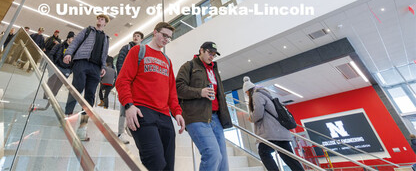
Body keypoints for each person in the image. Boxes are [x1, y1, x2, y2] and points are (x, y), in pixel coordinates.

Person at [116, 22, 185, 171]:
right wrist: (128, 105)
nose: (166, 40)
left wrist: (177, 112)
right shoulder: (138, 51)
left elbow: (172, 91)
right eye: (164, 35)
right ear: (155, 32)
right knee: (155, 162)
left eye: (169, 38)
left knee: (168, 167)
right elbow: (123, 80)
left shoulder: (167, 61)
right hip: (142, 112)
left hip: (164, 116)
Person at [176, 42, 232, 171]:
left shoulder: (214, 70)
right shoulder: (189, 66)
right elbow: (178, 88)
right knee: (212, 154)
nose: (212, 56)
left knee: (223, 162)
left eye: (214, 54)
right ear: (201, 50)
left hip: (216, 118)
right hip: (196, 117)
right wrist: (199, 92)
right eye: (209, 52)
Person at [62, 14, 110, 141]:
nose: (99, 20)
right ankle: (68, 115)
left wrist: (103, 67)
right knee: (77, 88)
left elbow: (104, 54)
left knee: (90, 96)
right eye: (98, 18)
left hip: (96, 68)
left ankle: (83, 126)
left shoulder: (106, 37)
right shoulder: (88, 30)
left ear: (105, 23)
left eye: (102, 19)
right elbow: (76, 41)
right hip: (82, 62)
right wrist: (68, 53)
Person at [243, 76, 303, 171]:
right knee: (290, 159)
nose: (246, 94)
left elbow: (258, 113)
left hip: (271, 132)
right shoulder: (266, 95)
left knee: (264, 153)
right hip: (280, 132)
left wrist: (252, 118)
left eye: (246, 92)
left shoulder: (256, 95)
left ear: (248, 91)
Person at [116, 31, 144, 144]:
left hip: (137, 84)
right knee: (124, 106)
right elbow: (120, 62)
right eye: (134, 36)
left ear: (142, 39)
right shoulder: (126, 48)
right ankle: (120, 132)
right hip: (126, 82)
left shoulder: (142, 50)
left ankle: (128, 126)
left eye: (138, 36)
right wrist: (122, 79)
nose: (135, 37)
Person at [45, 31, 75, 98]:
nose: (73, 40)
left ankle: (52, 99)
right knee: (51, 83)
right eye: (72, 38)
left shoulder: (74, 50)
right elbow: (51, 54)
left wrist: (70, 70)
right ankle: (45, 97)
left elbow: (74, 61)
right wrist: (53, 65)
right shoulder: (59, 46)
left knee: (57, 86)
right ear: (68, 38)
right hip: (57, 67)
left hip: (66, 70)